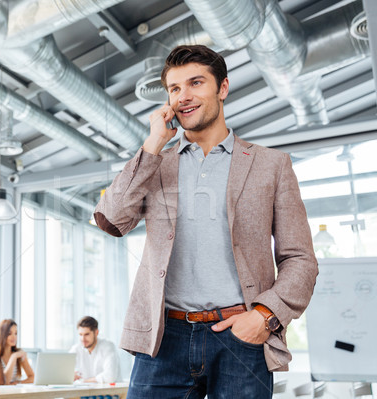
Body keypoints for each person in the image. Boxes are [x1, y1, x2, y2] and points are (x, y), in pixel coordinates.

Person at [93, 44, 318, 398]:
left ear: (223, 88)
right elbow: (110, 220)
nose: (184, 96)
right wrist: (152, 144)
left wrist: (264, 316)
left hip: (240, 335)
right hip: (163, 340)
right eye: (175, 88)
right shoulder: (156, 163)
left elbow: (300, 259)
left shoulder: (271, 165)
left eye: (196, 83)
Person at [69, 316, 120, 383]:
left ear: (96, 332)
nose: (83, 339)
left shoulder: (108, 347)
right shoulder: (76, 349)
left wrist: (84, 381)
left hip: (107, 391)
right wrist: (71, 376)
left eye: (87, 334)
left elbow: (110, 377)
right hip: (84, 391)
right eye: (80, 334)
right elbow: (66, 373)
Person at [0, 319, 34, 384]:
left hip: (15, 392)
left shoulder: (19, 353)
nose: (14, 337)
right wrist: (14, 356)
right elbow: (5, 381)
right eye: (9, 333)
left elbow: (32, 377)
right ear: (1, 335)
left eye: (15, 333)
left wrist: (19, 382)